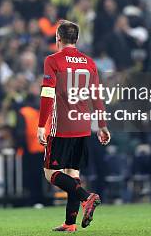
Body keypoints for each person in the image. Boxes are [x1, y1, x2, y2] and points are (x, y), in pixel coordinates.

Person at [37, 20, 110, 231]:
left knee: (51, 173)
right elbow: (96, 96)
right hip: (83, 125)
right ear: (76, 39)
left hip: (62, 125)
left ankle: (86, 197)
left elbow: (47, 94)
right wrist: (102, 125)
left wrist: (42, 125)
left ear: (57, 38)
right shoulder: (89, 62)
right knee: (72, 174)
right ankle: (70, 223)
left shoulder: (53, 60)